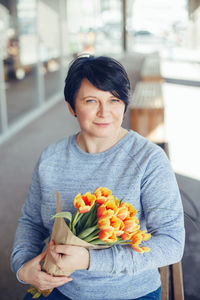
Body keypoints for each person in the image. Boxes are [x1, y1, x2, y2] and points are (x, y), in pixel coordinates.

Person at [11, 55, 185, 300]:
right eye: (91, 100)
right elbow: (31, 221)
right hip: (59, 288)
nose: (105, 112)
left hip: (129, 293)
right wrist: (22, 267)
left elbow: (171, 243)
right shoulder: (51, 158)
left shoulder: (149, 160)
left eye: (114, 100)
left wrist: (90, 260)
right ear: (72, 106)